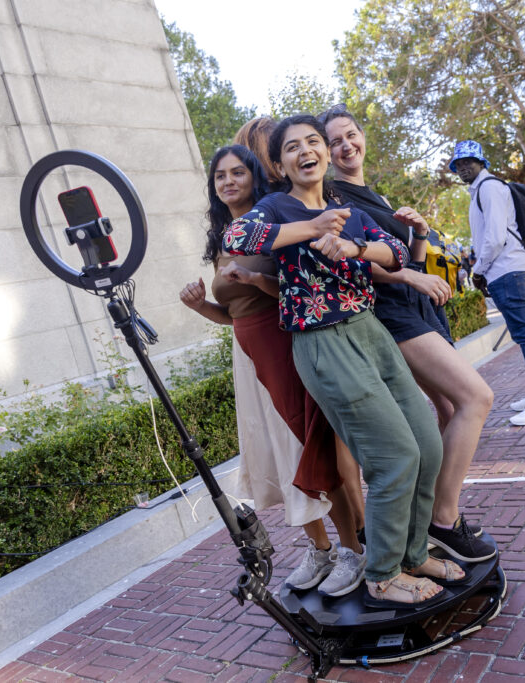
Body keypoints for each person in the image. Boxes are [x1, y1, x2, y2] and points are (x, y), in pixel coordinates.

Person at [225, 114, 461, 608]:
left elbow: (396, 252)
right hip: (322, 341)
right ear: (281, 162)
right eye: (292, 147)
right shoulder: (274, 207)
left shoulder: (345, 208)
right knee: (394, 457)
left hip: (370, 331)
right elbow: (236, 242)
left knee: (425, 444)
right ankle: (382, 573)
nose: (305, 150)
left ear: (327, 153)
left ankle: (413, 553)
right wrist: (306, 229)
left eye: (314, 141)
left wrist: (353, 246)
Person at [179, 145, 365, 598]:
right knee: (283, 457)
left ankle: (351, 550)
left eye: (237, 172)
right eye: (219, 175)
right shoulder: (226, 237)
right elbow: (233, 313)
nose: (228, 181)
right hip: (250, 357)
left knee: (310, 446)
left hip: (286, 345)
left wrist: (258, 279)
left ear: (254, 177)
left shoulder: (276, 222)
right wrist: (201, 304)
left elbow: (300, 289)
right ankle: (319, 550)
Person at [321, 107, 497, 563]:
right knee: (476, 399)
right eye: (334, 141)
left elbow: (410, 262)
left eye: (351, 135)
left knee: (445, 410)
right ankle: (444, 519)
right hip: (395, 316)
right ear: (325, 152)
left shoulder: (367, 193)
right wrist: (408, 279)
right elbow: (352, 264)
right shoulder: (333, 198)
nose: (345, 146)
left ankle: (428, 522)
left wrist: (418, 233)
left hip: (418, 308)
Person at [450, 140, 525, 426]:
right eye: (458, 164)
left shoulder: (489, 188)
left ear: (481, 162)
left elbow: (496, 237)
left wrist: (478, 270)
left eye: (468, 162)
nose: (463, 167)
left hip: (506, 270)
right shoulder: (481, 191)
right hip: (504, 271)